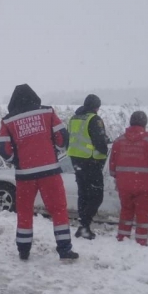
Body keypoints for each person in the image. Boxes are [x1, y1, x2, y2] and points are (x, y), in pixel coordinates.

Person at [0, 83, 78, 261]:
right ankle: (64, 250)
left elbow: (3, 148)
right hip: (50, 172)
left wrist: (16, 161)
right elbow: (63, 137)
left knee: (24, 211)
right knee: (58, 210)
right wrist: (54, 150)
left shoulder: (8, 121)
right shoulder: (47, 112)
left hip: (25, 175)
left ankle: (24, 250)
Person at [109, 111, 148, 246]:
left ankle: (122, 236)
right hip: (144, 184)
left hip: (124, 184)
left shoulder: (119, 141)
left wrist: (116, 177)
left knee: (126, 210)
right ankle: (141, 239)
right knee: (143, 212)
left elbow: (112, 164)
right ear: (145, 123)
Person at [67, 94, 109, 239]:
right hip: (91, 162)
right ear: (96, 107)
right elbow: (100, 142)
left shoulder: (74, 119)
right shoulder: (94, 119)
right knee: (97, 196)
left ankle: (83, 225)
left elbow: (71, 139)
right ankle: (84, 225)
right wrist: (105, 149)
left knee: (83, 194)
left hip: (76, 162)